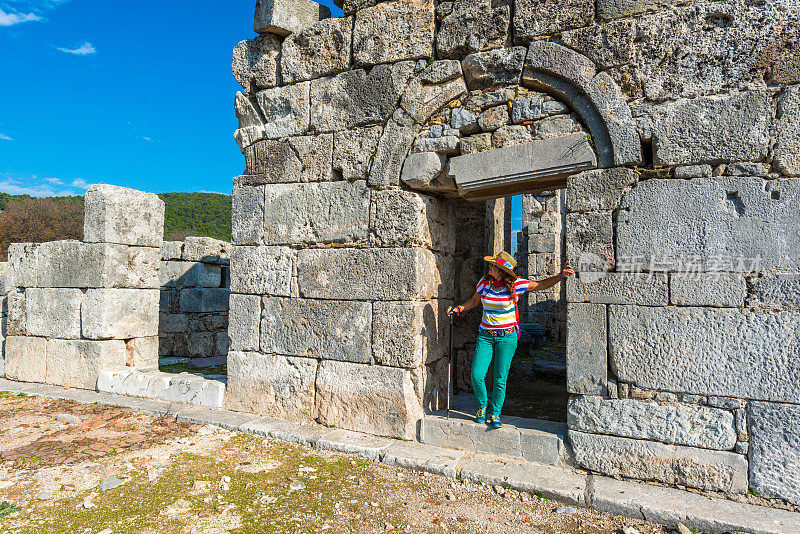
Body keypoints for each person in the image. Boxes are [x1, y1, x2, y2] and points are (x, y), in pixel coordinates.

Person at [447, 251, 574, 429]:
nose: (490, 267)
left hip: (507, 337)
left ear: (502, 271)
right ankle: (483, 406)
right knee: (476, 375)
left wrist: (561, 276)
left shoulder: (516, 284)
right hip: (486, 336)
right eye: (492, 265)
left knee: (500, 377)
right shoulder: (484, 283)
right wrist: (460, 308)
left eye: (494, 266)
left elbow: (542, 284)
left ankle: (496, 413)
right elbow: (475, 301)